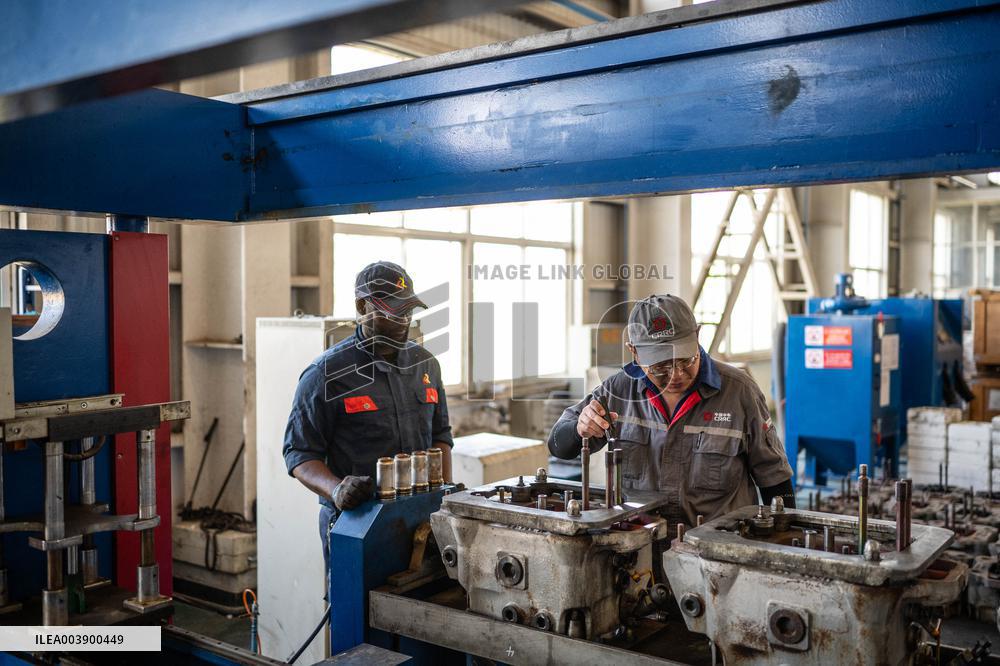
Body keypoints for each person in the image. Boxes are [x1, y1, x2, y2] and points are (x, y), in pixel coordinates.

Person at [548, 294, 794, 527]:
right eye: (660, 366)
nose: (676, 375)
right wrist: (580, 428)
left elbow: (774, 477)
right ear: (634, 351)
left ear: (697, 336)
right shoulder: (618, 392)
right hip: (638, 548)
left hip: (717, 555)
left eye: (686, 360)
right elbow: (558, 445)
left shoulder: (739, 392)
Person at [283, 261, 454, 565]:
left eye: (408, 311)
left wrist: (445, 496)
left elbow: (441, 437)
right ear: (362, 307)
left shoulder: (426, 365)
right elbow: (299, 454)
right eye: (393, 312)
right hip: (356, 520)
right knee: (354, 608)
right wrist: (336, 489)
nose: (403, 322)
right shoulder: (326, 374)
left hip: (421, 518)